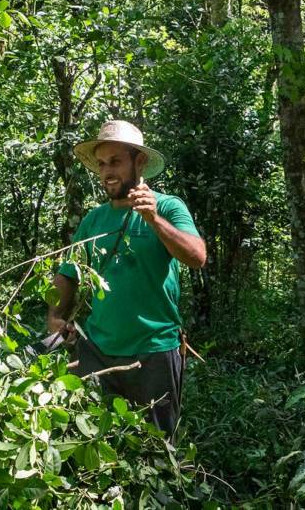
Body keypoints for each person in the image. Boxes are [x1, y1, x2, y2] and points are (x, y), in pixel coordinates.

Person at [48, 120, 206, 437]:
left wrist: (154, 219)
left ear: (140, 161)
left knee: (157, 449)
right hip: (97, 352)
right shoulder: (93, 221)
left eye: (116, 162)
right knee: (95, 445)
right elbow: (68, 274)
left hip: (154, 352)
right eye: (103, 164)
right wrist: (53, 316)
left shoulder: (169, 207)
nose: (108, 172)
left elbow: (196, 257)